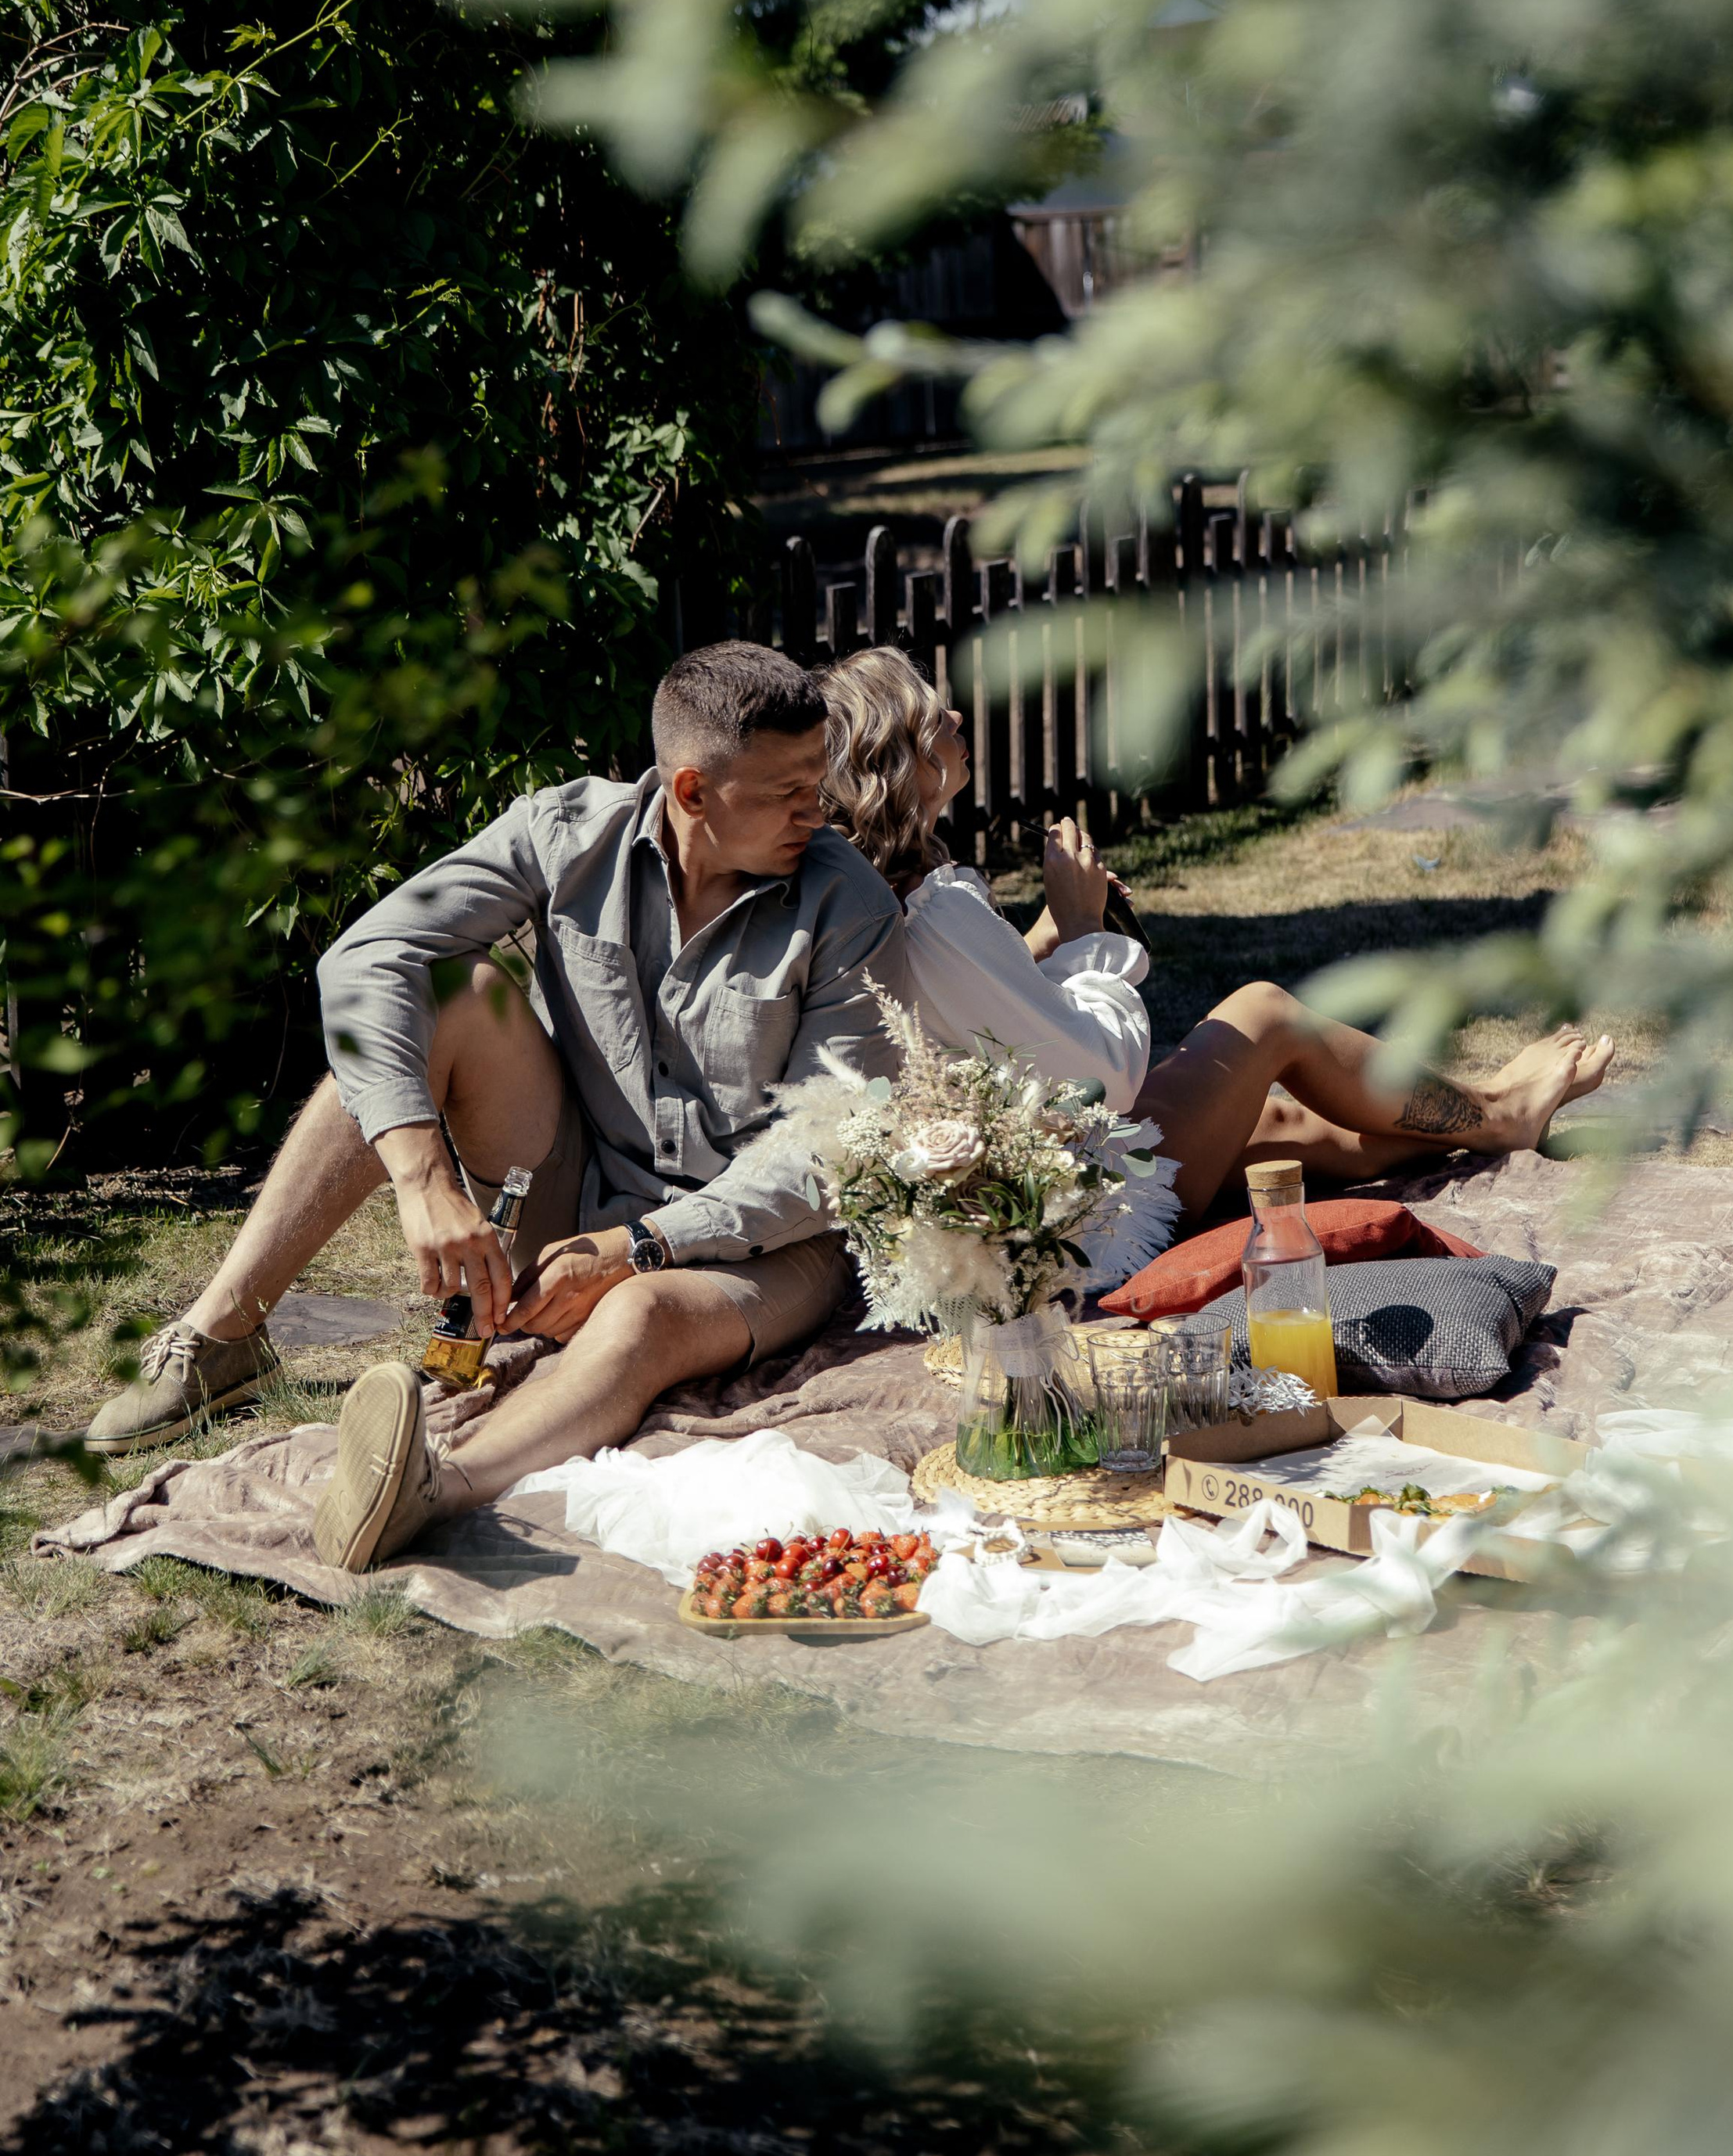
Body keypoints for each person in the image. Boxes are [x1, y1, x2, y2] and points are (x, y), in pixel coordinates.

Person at [85, 642, 906, 1574]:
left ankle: (435, 1484)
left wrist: (643, 1247)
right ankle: (221, 1338)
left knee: (640, 1317)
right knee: (441, 998)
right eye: (788, 790)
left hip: (764, 1243)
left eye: (818, 779)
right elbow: (364, 959)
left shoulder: (850, 906)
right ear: (690, 791)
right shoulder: (563, 833)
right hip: (580, 1190)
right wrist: (422, 1178)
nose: (819, 808)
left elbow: (821, 1153)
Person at [815, 646, 1613, 1235]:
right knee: (1263, 1015)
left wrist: (1046, 934)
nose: (955, 719)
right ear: (903, 757)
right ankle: (1503, 1112)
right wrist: (1088, 933)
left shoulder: (876, 896)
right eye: (933, 712)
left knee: (1277, 1127)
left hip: (1019, 1184)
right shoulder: (935, 911)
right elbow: (1100, 1077)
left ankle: (1478, 1120)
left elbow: (966, 1018)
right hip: (1073, 1216)